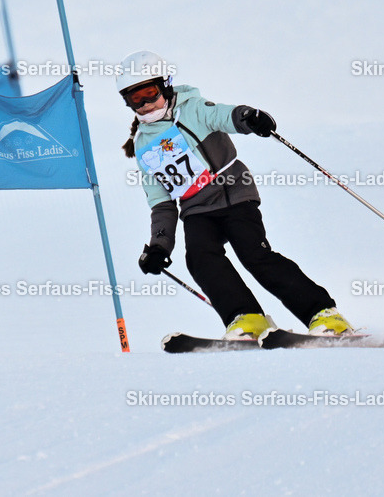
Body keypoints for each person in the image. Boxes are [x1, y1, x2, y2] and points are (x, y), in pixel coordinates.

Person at [118, 50, 353, 340]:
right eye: (134, 99)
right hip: (195, 208)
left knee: (254, 254)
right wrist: (159, 247)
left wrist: (247, 117)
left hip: (232, 192)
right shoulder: (143, 145)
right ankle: (247, 318)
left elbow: (223, 115)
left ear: (165, 85)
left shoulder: (191, 109)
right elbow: (161, 202)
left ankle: (323, 313)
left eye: (150, 93)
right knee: (201, 259)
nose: (144, 104)